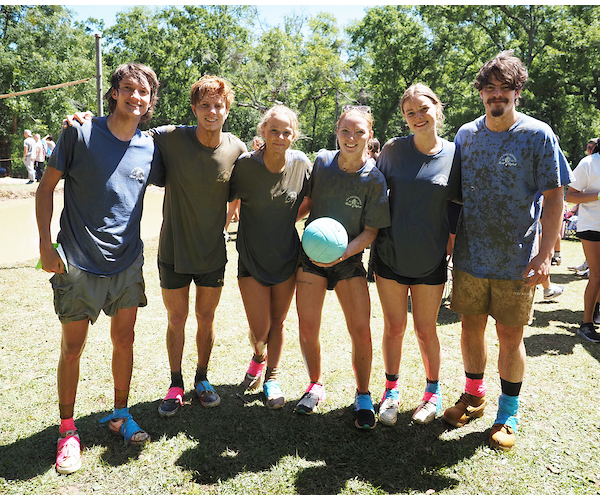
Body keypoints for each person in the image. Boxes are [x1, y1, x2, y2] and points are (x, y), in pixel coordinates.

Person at [36, 63, 163, 474]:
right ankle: (68, 431)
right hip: (77, 262)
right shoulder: (80, 132)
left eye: (143, 93)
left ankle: (120, 415)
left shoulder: (150, 146)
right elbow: (46, 187)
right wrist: (44, 244)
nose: (136, 97)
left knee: (124, 340)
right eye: (128, 89)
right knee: (72, 348)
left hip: (127, 263)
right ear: (114, 93)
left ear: (150, 101)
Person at [444, 51, 573, 451]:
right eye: (490, 88)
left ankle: (508, 413)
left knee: (510, 335)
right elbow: (455, 198)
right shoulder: (465, 135)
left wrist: (544, 254)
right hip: (469, 255)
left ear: (518, 92)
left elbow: (556, 198)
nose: (496, 96)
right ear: (480, 92)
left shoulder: (538, 135)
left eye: (506, 89)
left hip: (517, 259)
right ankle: (474, 395)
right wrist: (450, 245)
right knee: (470, 328)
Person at [152, 75, 247, 417]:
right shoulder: (169, 138)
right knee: (177, 318)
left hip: (211, 254)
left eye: (218, 105)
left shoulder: (237, 149)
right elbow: (124, 131)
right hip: (173, 251)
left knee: (206, 318)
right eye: (204, 105)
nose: (212, 111)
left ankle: (202, 380)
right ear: (194, 108)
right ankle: (175, 383)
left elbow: (241, 191)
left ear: (227, 110)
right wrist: (89, 123)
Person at [294, 106, 390, 430]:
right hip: (310, 259)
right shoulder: (321, 162)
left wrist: (342, 253)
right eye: (346, 131)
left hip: (348, 260)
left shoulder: (374, 179)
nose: (351, 138)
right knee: (307, 327)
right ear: (337, 131)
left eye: (359, 132)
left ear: (370, 135)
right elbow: (304, 201)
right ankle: (315, 385)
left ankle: (363, 395)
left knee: (360, 330)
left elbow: (371, 232)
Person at [370, 84, 460, 427]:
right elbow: (373, 191)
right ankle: (390, 391)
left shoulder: (456, 154)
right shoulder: (392, 150)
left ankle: (431, 394)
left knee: (426, 330)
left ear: (437, 109)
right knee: (394, 327)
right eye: (410, 113)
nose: (418, 117)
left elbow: (461, 206)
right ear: (405, 119)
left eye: (423, 109)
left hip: (430, 259)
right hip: (390, 256)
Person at [230, 105, 312, 409]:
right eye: (273, 130)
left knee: (278, 322)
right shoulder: (246, 165)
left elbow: (311, 199)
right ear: (263, 131)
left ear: (294, 135)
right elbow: (229, 197)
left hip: (287, 256)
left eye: (286, 132)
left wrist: (292, 217)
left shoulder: (302, 164)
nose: (280, 136)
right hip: (251, 258)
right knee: (260, 327)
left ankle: (272, 377)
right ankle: (259, 356)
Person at [565, 140, 600, 341]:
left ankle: (596, 313)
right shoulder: (589, 163)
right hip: (592, 226)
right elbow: (570, 196)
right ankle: (586, 324)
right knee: (596, 274)